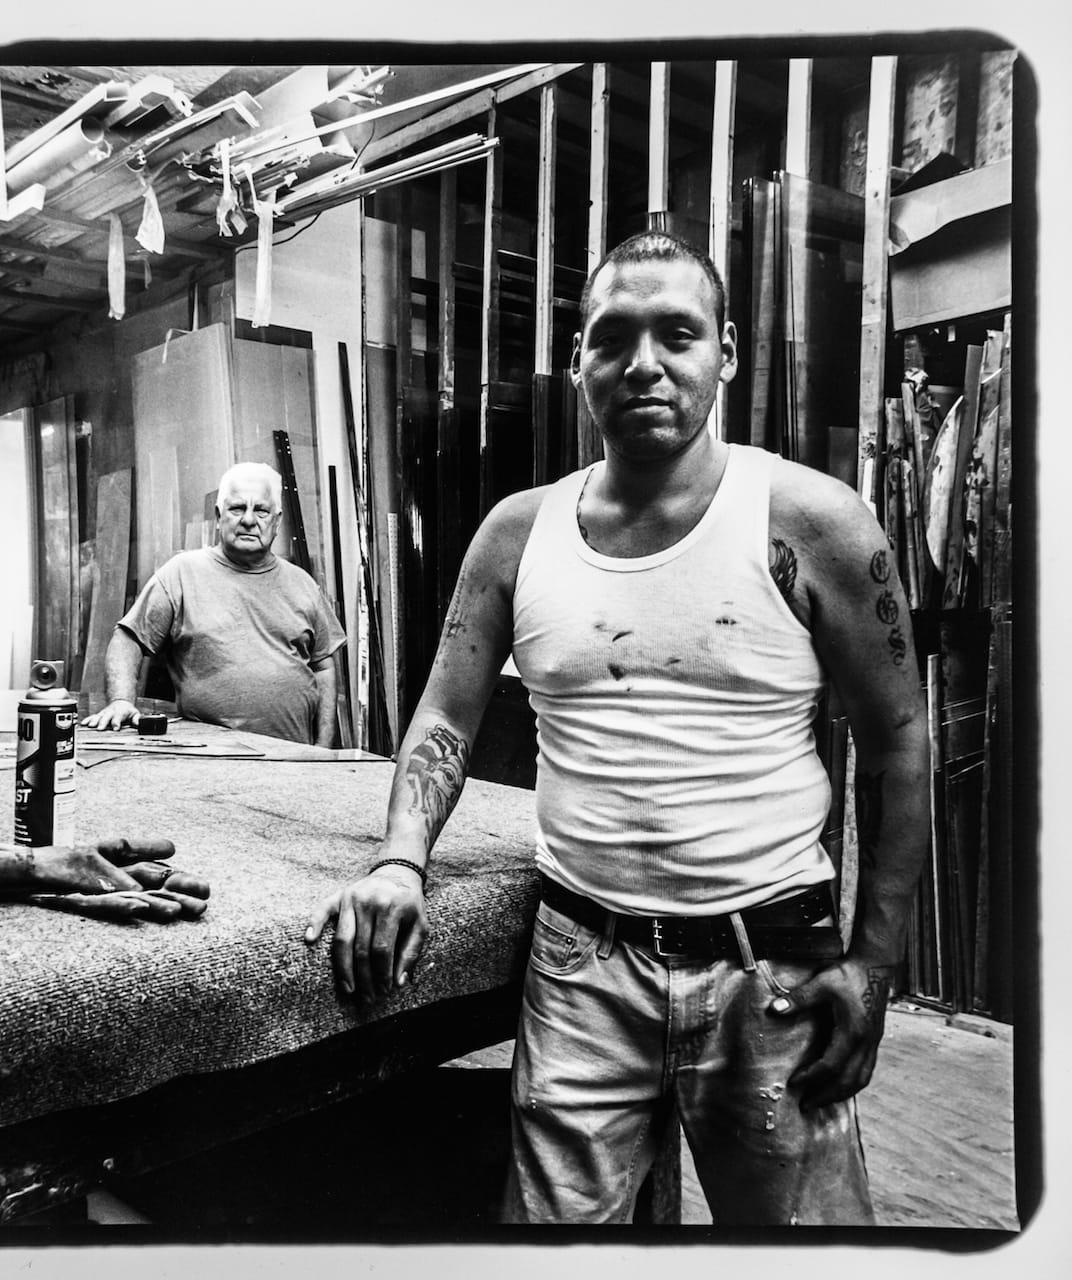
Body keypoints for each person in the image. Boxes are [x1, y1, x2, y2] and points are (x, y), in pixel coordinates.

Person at [304, 231, 929, 1225]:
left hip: (769, 964)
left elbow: (897, 744)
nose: (643, 363)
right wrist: (397, 862)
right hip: (579, 966)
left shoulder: (813, 524)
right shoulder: (517, 535)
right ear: (577, 359)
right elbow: (445, 716)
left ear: (725, 351)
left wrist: (872, 966)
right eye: (612, 337)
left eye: (676, 333)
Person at [83, 461, 345, 746]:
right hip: (212, 757)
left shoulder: (303, 584)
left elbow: (323, 667)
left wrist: (323, 748)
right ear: (219, 516)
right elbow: (128, 639)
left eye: (261, 510)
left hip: (293, 756)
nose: (248, 520)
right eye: (237, 508)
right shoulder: (182, 574)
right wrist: (121, 700)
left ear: (277, 521)